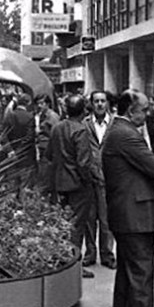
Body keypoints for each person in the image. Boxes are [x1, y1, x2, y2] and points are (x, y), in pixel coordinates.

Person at [101, 89, 154, 307]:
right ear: (131, 111)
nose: (147, 112)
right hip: (135, 214)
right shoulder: (128, 135)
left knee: (127, 271)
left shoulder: (118, 131)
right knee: (141, 274)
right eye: (144, 108)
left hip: (125, 211)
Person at [47, 93, 101, 279]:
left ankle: (62, 261)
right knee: (76, 226)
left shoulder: (56, 128)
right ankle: (73, 265)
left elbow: (49, 155)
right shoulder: (80, 130)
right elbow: (84, 162)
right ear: (84, 110)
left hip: (59, 183)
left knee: (62, 223)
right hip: (78, 186)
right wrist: (90, 180)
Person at [83, 90, 116, 269]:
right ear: (92, 104)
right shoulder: (85, 124)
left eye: (103, 101)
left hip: (109, 178)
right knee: (89, 219)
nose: (100, 104)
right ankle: (90, 253)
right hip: (89, 178)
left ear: (108, 104)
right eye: (96, 101)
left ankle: (107, 254)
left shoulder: (114, 124)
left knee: (106, 219)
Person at [34, 94, 61, 195]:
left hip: (49, 150)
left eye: (42, 103)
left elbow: (56, 134)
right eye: (38, 104)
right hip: (43, 148)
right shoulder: (42, 115)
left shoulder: (52, 116)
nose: (39, 106)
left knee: (47, 177)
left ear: (48, 104)